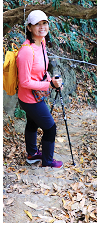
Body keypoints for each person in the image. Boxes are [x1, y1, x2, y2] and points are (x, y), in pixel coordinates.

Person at [16, 10, 63, 168]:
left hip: (35, 95)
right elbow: (24, 82)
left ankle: (32, 155)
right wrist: (49, 85)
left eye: (44, 23)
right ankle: (48, 161)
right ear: (29, 27)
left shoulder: (41, 43)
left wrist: (51, 80)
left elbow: (41, 71)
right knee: (50, 128)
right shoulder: (26, 52)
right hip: (29, 99)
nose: (42, 27)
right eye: (37, 24)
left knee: (32, 123)